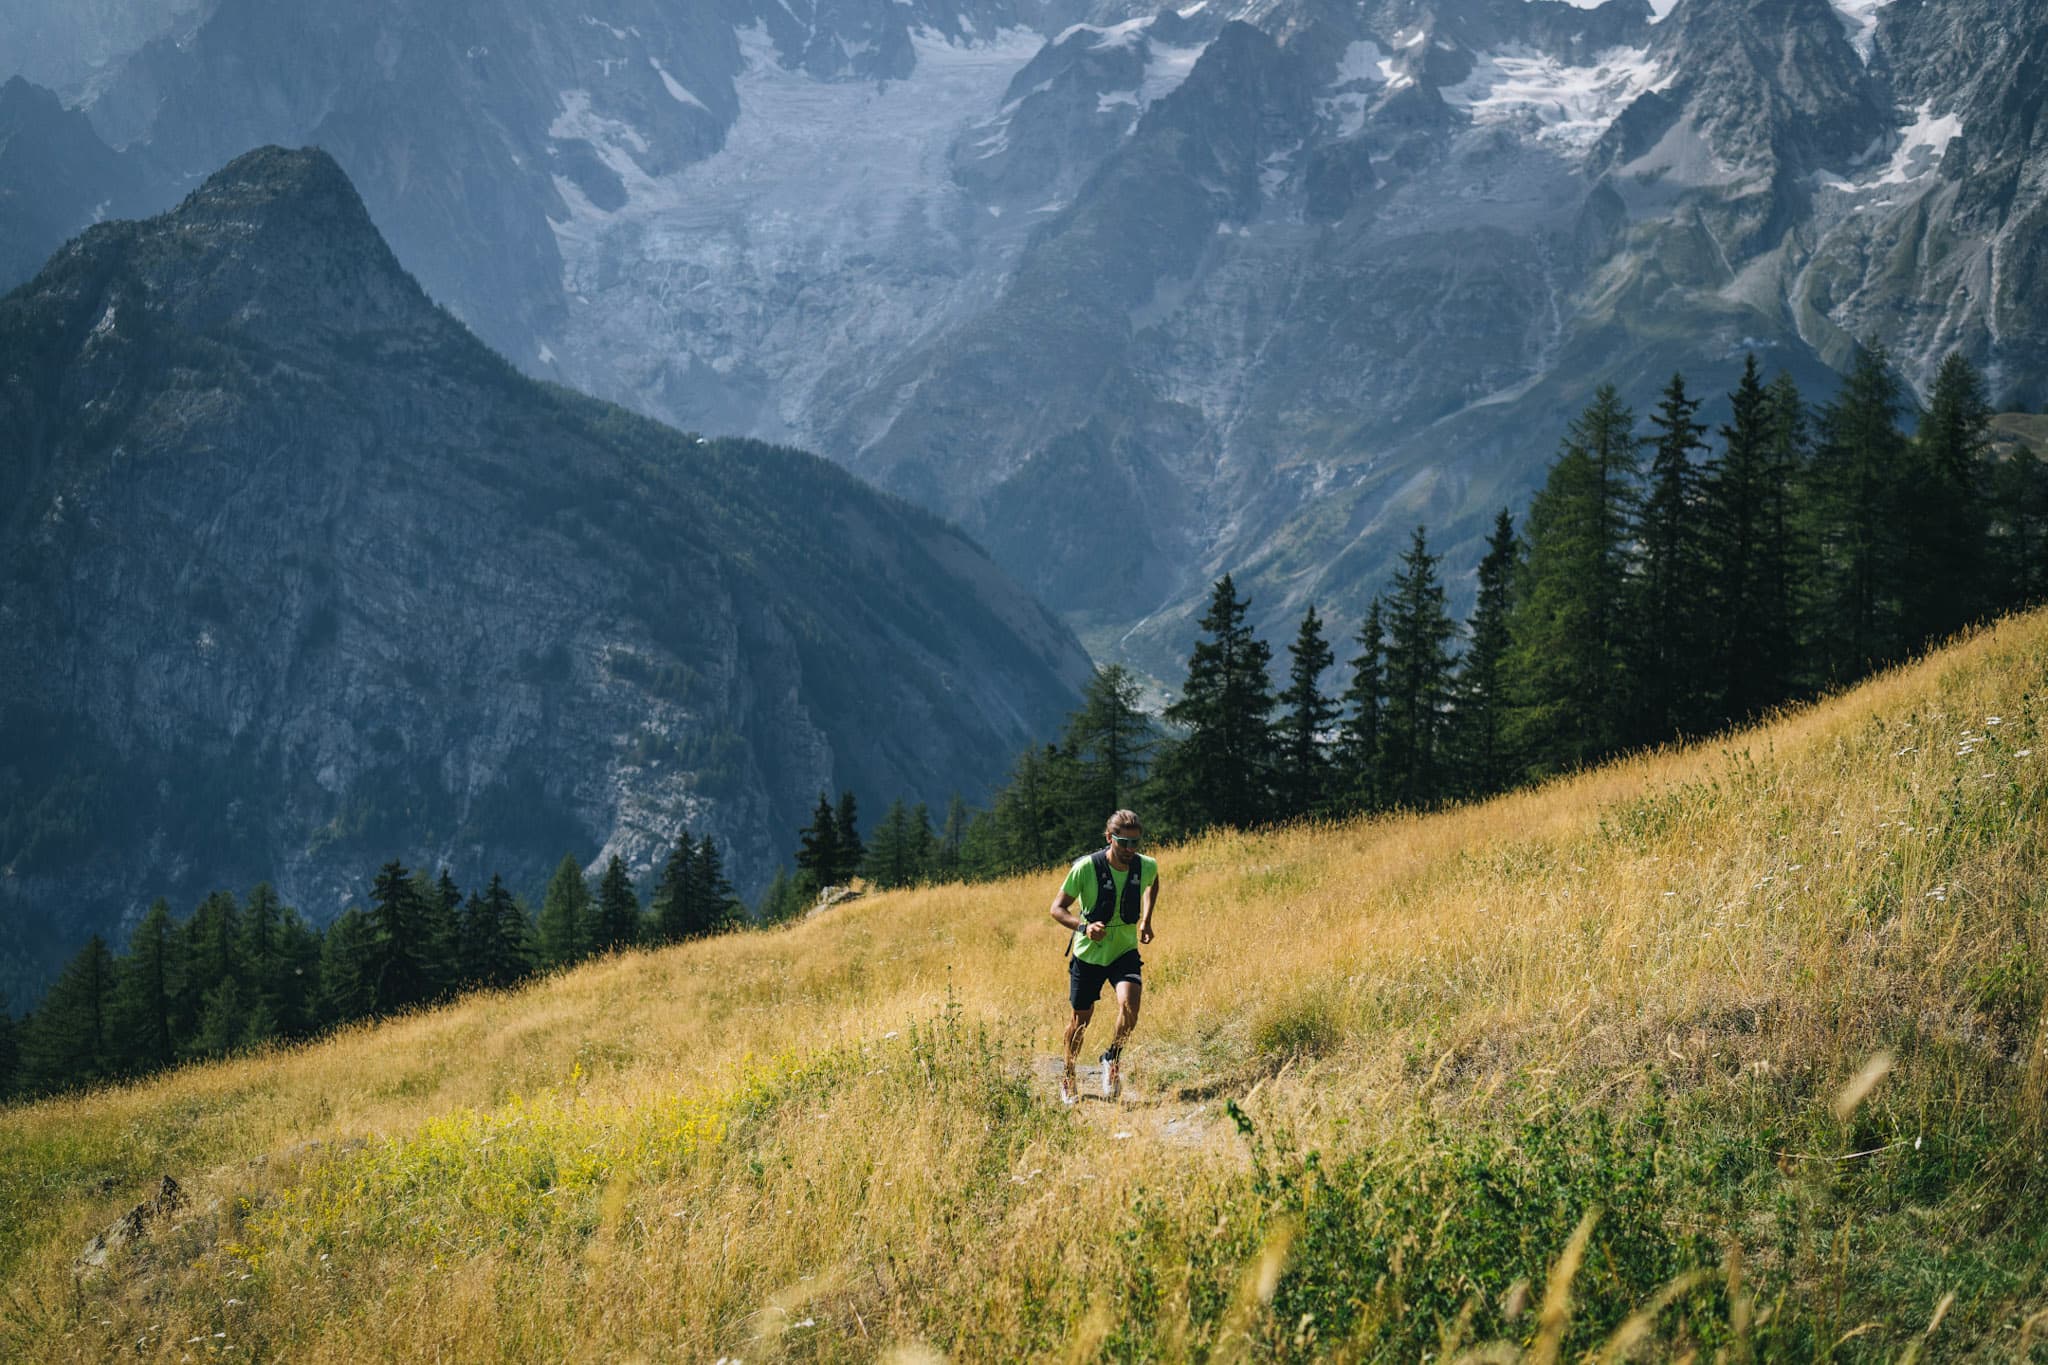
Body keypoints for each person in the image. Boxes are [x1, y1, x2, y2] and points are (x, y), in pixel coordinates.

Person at [1048, 808, 1158, 1104]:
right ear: (1110, 838)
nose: (1130, 849)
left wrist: (1146, 919)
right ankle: (1069, 1075)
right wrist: (1083, 927)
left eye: (1136, 842)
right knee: (1080, 1021)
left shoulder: (1144, 865)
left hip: (1123, 951)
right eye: (1123, 842)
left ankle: (1112, 1059)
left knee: (1130, 1005)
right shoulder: (1086, 868)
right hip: (1089, 955)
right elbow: (1057, 909)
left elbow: (1153, 881)